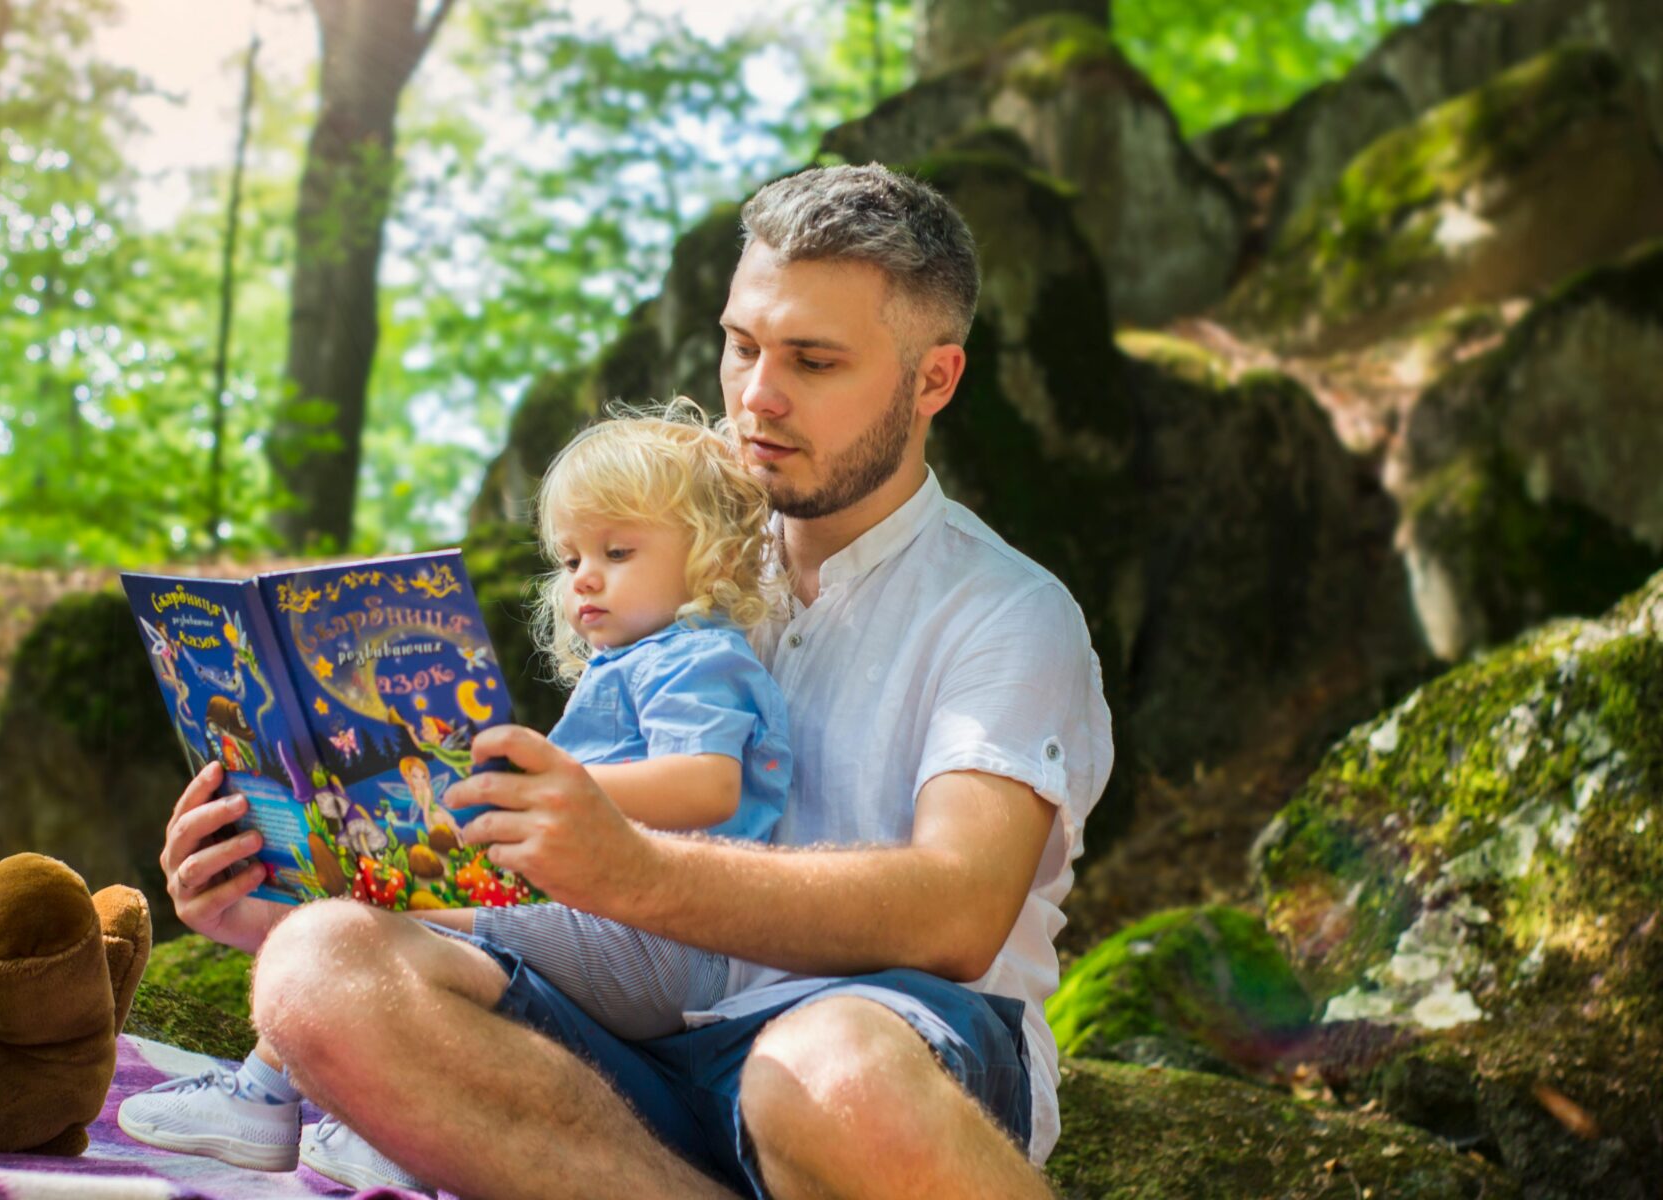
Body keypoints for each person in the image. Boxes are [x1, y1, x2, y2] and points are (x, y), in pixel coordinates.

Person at [162, 163, 1111, 1200]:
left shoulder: (1006, 611)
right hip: (628, 1048)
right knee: (316, 963)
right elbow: (537, 857)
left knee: (824, 1070)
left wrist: (626, 868)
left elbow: (958, 911)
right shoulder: (661, 562)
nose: (757, 394)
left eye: (814, 360)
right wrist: (281, 873)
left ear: (932, 380)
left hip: (885, 1047)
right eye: (742, 345)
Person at [121, 405, 794, 1179]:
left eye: (617, 550)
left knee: (384, 921)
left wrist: (552, 788)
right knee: (374, 909)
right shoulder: (638, 663)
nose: (586, 579)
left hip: (658, 944)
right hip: (609, 926)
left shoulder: (699, 656)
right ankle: (353, 1122)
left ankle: (275, 1101)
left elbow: (708, 785)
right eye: (570, 559)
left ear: (713, 555)